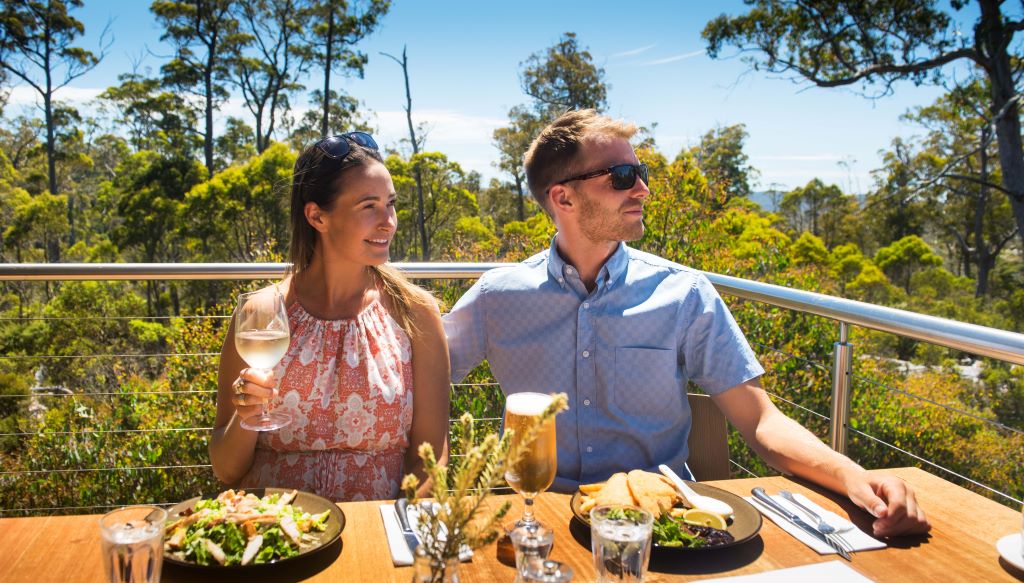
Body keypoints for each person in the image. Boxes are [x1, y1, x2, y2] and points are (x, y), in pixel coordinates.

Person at [443, 110, 930, 536]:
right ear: (563, 199)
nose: (643, 188)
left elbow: (760, 420)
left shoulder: (684, 294)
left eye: (641, 172)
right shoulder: (497, 297)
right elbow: (416, 387)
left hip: (668, 526)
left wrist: (852, 475)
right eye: (621, 175)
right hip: (538, 519)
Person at [210, 132, 450, 501]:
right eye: (369, 206)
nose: (388, 221)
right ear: (316, 215)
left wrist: (396, 532)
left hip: (378, 529)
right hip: (277, 532)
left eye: (391, 204)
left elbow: (431, 461)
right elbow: (226, 470)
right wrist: (248, 414)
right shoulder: (260, 314)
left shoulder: (415, 313)